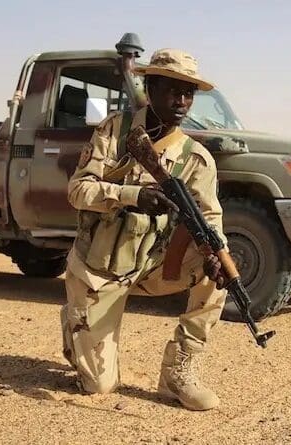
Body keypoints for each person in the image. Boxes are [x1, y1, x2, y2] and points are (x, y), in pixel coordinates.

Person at [60, 49, 226, 411]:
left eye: (188, 93)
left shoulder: (196, 158)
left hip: (151, 265)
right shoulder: (115, 132)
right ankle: (77, 318)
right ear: (150, 88)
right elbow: (77, 191)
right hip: (98, 269)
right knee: (99, 387)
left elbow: (211, 219)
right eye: (172, 91)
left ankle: (179, 371)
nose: (181, 101)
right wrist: (131, 195)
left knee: (219, 269)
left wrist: (216, 253)